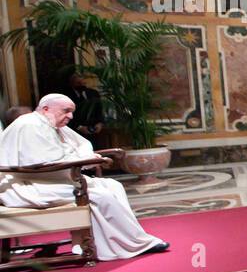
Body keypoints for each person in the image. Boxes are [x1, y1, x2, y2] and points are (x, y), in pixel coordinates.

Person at [0, 94, 168, 259]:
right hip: (27, 185)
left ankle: (126, 241)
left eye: (71, 111)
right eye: (66, 111)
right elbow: (40, 163)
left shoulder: (53, 124)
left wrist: (85, 159)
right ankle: (125, 244)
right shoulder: (30, 125)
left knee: (113, 186)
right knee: (101, 195)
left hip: (50, 179)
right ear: (45, 109)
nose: (70, 116)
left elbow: (79, 146)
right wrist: (83, 161)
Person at [67, 73, 105, 148]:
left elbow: (99, 109)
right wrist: (79, 127)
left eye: (83, 82)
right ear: (72, 84)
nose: (81, 85)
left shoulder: (93, 93)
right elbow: (67, 114)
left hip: (94, 129)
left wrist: (100, 123)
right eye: (78, 83)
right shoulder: (68, 95)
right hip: (76, 131)